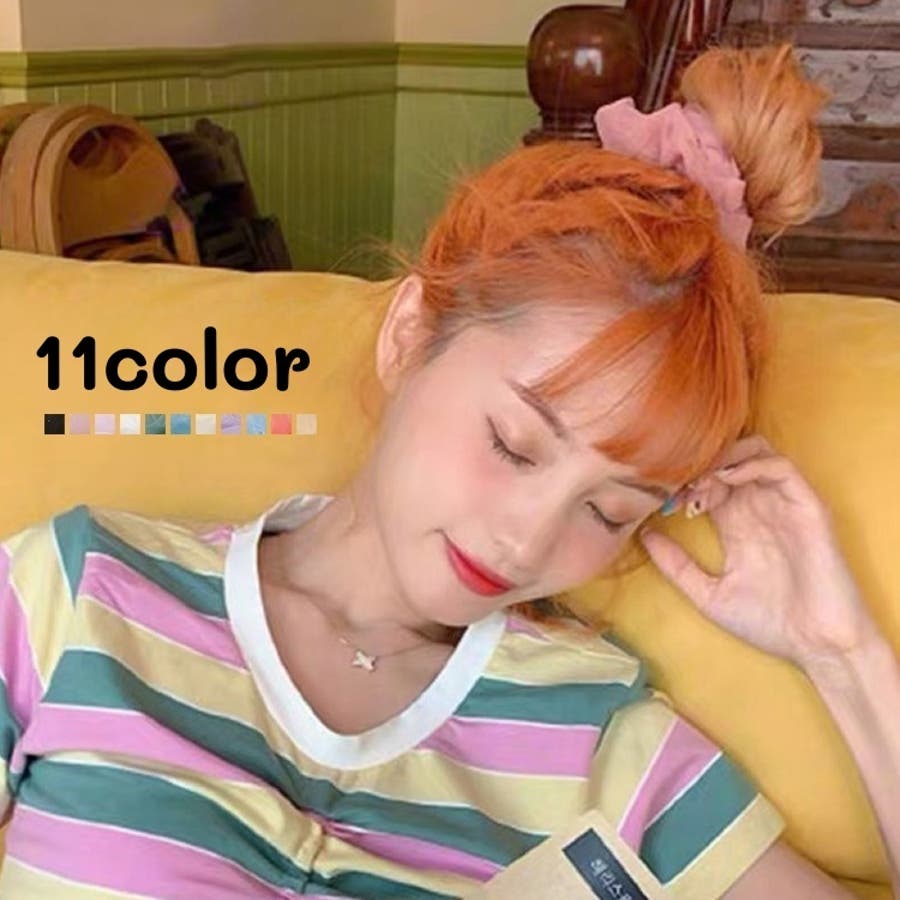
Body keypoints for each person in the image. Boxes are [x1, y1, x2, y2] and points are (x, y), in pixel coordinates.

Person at [0, 41, 896, 899]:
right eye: (514, 444)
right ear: (410, 333)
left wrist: (844, 655)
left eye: (610, 511)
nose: (526, 540)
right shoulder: (76, 590)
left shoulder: (592, 730)